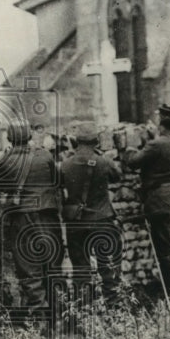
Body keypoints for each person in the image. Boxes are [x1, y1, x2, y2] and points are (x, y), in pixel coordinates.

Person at [124, 104, 170, 299]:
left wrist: (130, 147)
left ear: (160, 123)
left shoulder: (158, 144)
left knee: (167, 252)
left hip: (162, 202)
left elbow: (133, 162)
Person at [0, 121, 64, 307]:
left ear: (10, 138)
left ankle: (39, 315)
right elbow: (57, 181)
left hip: (21, 219)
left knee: (29, 270)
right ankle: (60, 314)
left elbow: (0, 187)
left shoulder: (5, 160)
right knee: (53, 265)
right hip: (48, 216)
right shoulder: (45, 155)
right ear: (29, 136)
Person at [59, 121, 124, 306]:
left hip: (76, 223)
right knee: (109, 268)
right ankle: (114, 310)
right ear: (96, 141)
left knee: (80, 270)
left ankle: (84, 312)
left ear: (76, 141)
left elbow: (60, 187)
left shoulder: (65, 164)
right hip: (102, 219)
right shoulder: (104, 161)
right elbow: (117, 176)